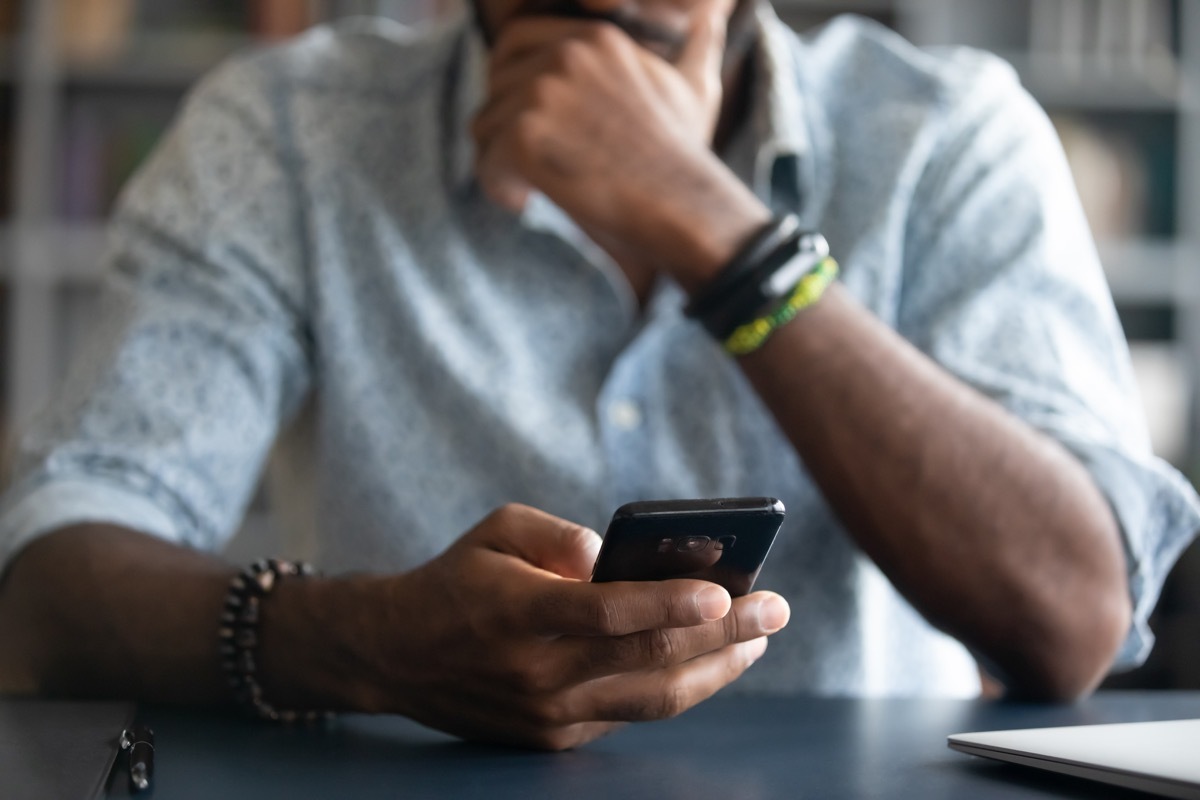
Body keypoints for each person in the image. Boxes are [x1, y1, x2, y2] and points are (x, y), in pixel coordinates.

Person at [0, 0, 1196, 750]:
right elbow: (55, 569)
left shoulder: (948, 134)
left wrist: (722, 236)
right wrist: (363, 639)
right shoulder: (285, 133)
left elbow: (1075, 613)